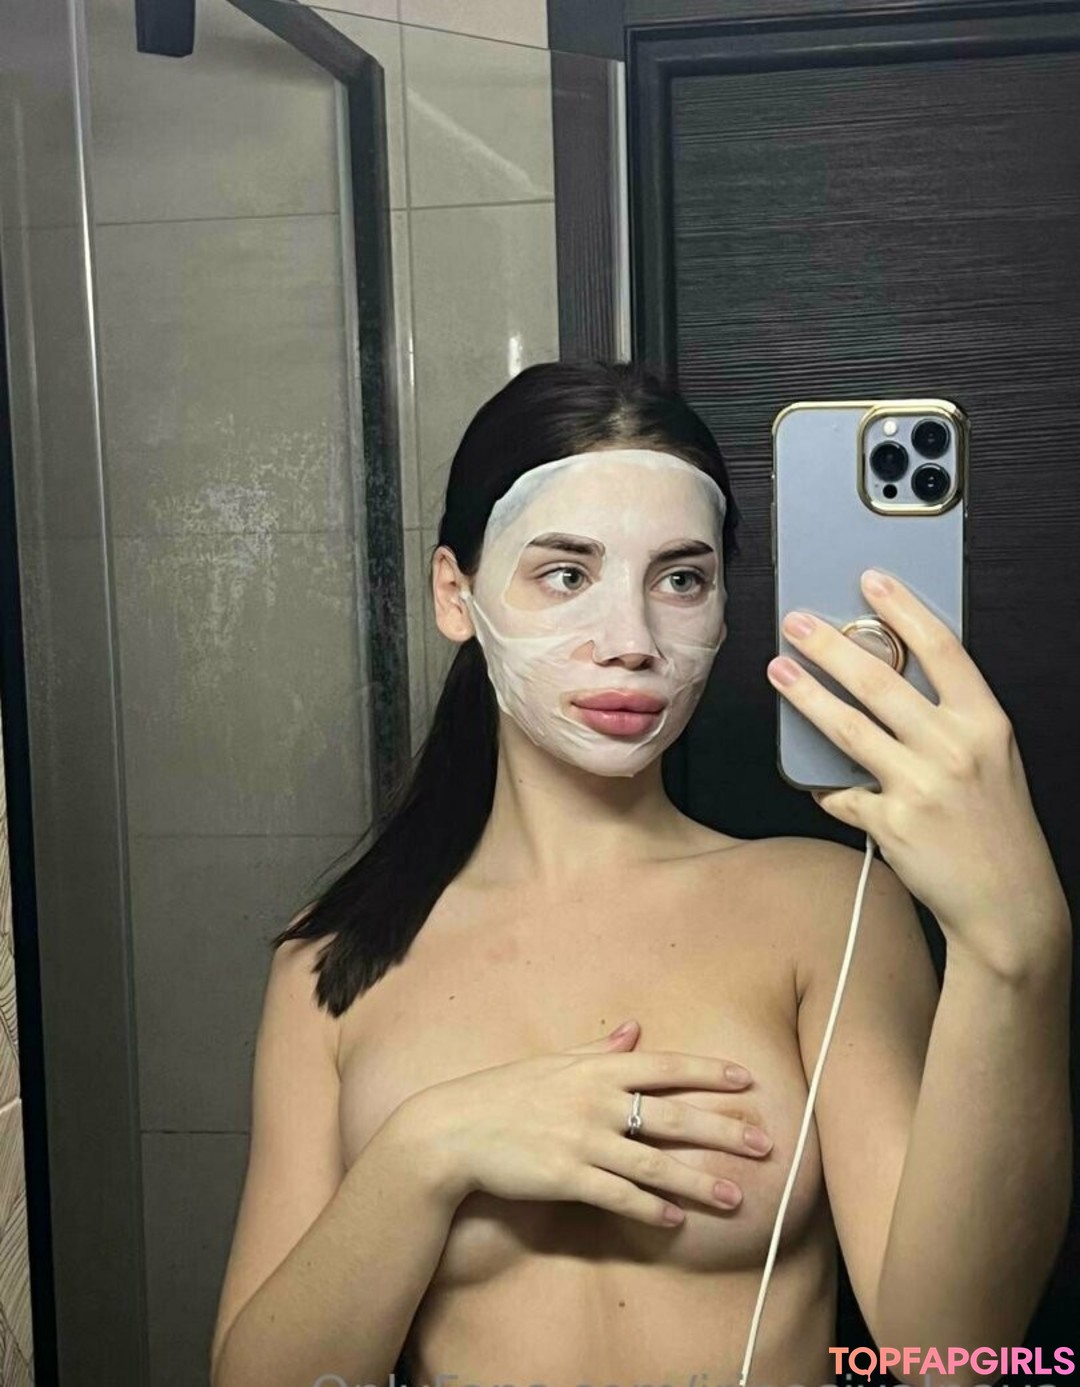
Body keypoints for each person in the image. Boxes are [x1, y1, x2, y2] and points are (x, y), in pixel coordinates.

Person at [209, 360, 1072, 1387]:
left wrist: (1018, 950)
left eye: (681, 579)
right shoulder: (336, 957)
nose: (631, 643)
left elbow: (952, 1360)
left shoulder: (827, 910)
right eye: (567, 574)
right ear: (455, 592)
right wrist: (428, 1150)